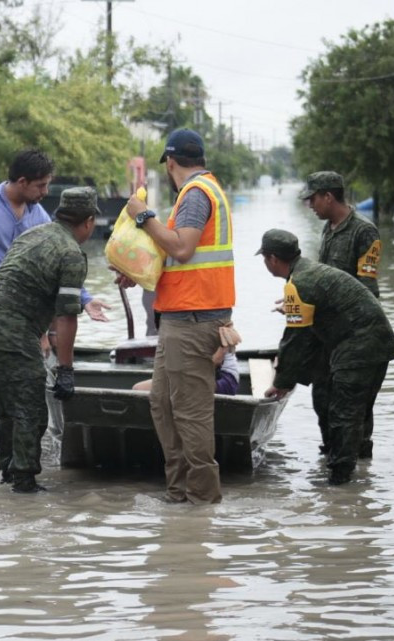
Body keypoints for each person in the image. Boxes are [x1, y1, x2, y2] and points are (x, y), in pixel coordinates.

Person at [0, 149, 109, 451]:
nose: (45, 192)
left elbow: (62, 263)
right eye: (41, 185)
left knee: (21, 381)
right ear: (22, 181)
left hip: (22, 312)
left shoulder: (37, 214)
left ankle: (7, 449)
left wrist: (86, 299)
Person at [122, 128, 234, 505]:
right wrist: (134, 270)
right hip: (179, 317)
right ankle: (178, 494)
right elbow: (172, 255)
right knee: (162, 402)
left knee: (190, 412)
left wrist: (143, 217)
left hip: (194, 319)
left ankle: (201, 501)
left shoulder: (196, 194)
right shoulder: (200, 192)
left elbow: (183, 249)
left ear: (170, 163)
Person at [0, 186, 100, 493]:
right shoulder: (71, 253)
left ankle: (7, 472)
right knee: (31, 409)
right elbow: (67, 316)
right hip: (12, 332)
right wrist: (66, 371)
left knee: (8, 411)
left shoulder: (33, 234)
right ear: (89, 221)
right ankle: (24, 482)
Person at [257, 229, 394, 486]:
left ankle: (340, 486)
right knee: (356, 413)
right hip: (377, 343)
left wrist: (281, 382)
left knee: (344, 414)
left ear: (273, 259)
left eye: (265, 259)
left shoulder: (299, 283)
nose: (266, 264)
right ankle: (358, 475)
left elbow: (295, 339)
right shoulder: (308, 272)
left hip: (360, 346)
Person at [300, 170, 382, 458]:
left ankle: (357, 477)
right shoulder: (329, 229)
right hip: (329, 332)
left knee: (353, 408)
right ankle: (332, 459)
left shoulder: (364, 231)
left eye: (313, 199)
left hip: (355, 334)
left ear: (328, 197)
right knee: (321, 395)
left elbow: (367, 289)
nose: (310, 205)